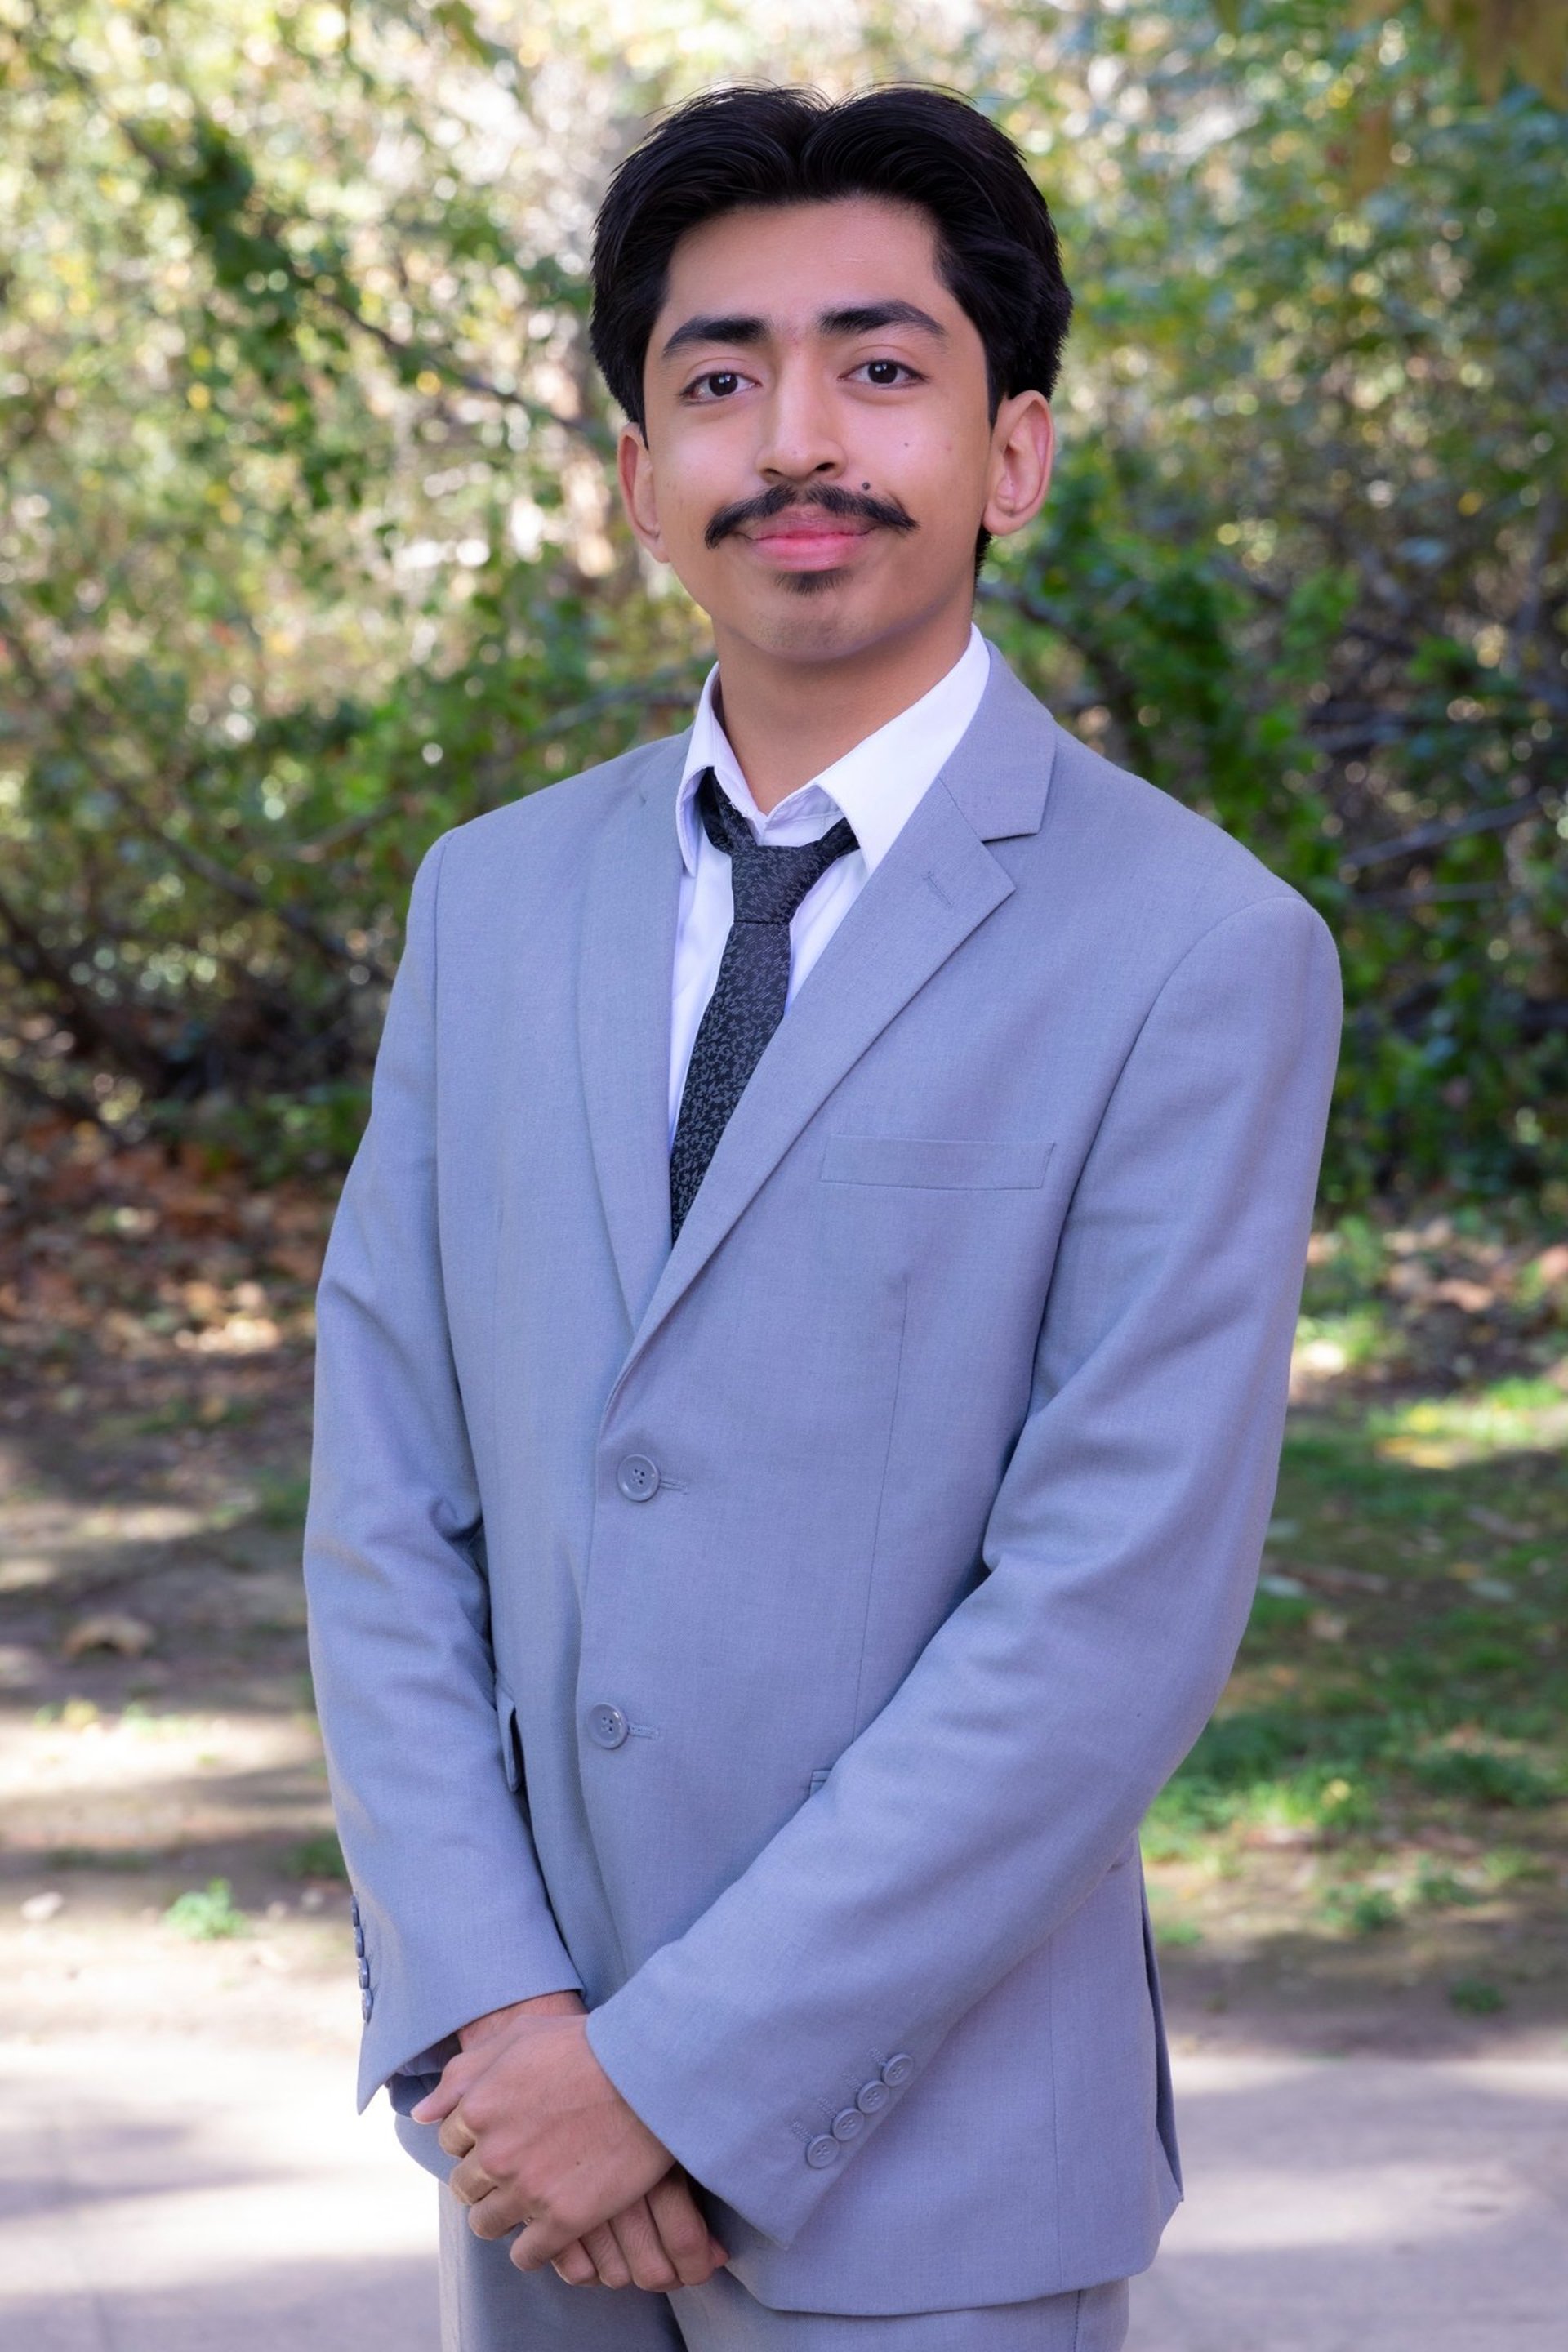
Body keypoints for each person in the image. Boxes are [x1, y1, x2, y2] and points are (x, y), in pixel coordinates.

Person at [303, 82, 1341, 2352]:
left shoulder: (1197, 946)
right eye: (717, 378)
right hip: (525, 2154)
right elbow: (389, 1509)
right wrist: (501, 2026)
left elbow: (1105, 1617)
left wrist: (673, 2082)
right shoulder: (489, 904)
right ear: (638, 475)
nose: (798, 438)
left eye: (882, 368)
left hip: (927, 2186)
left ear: (1015, 453)